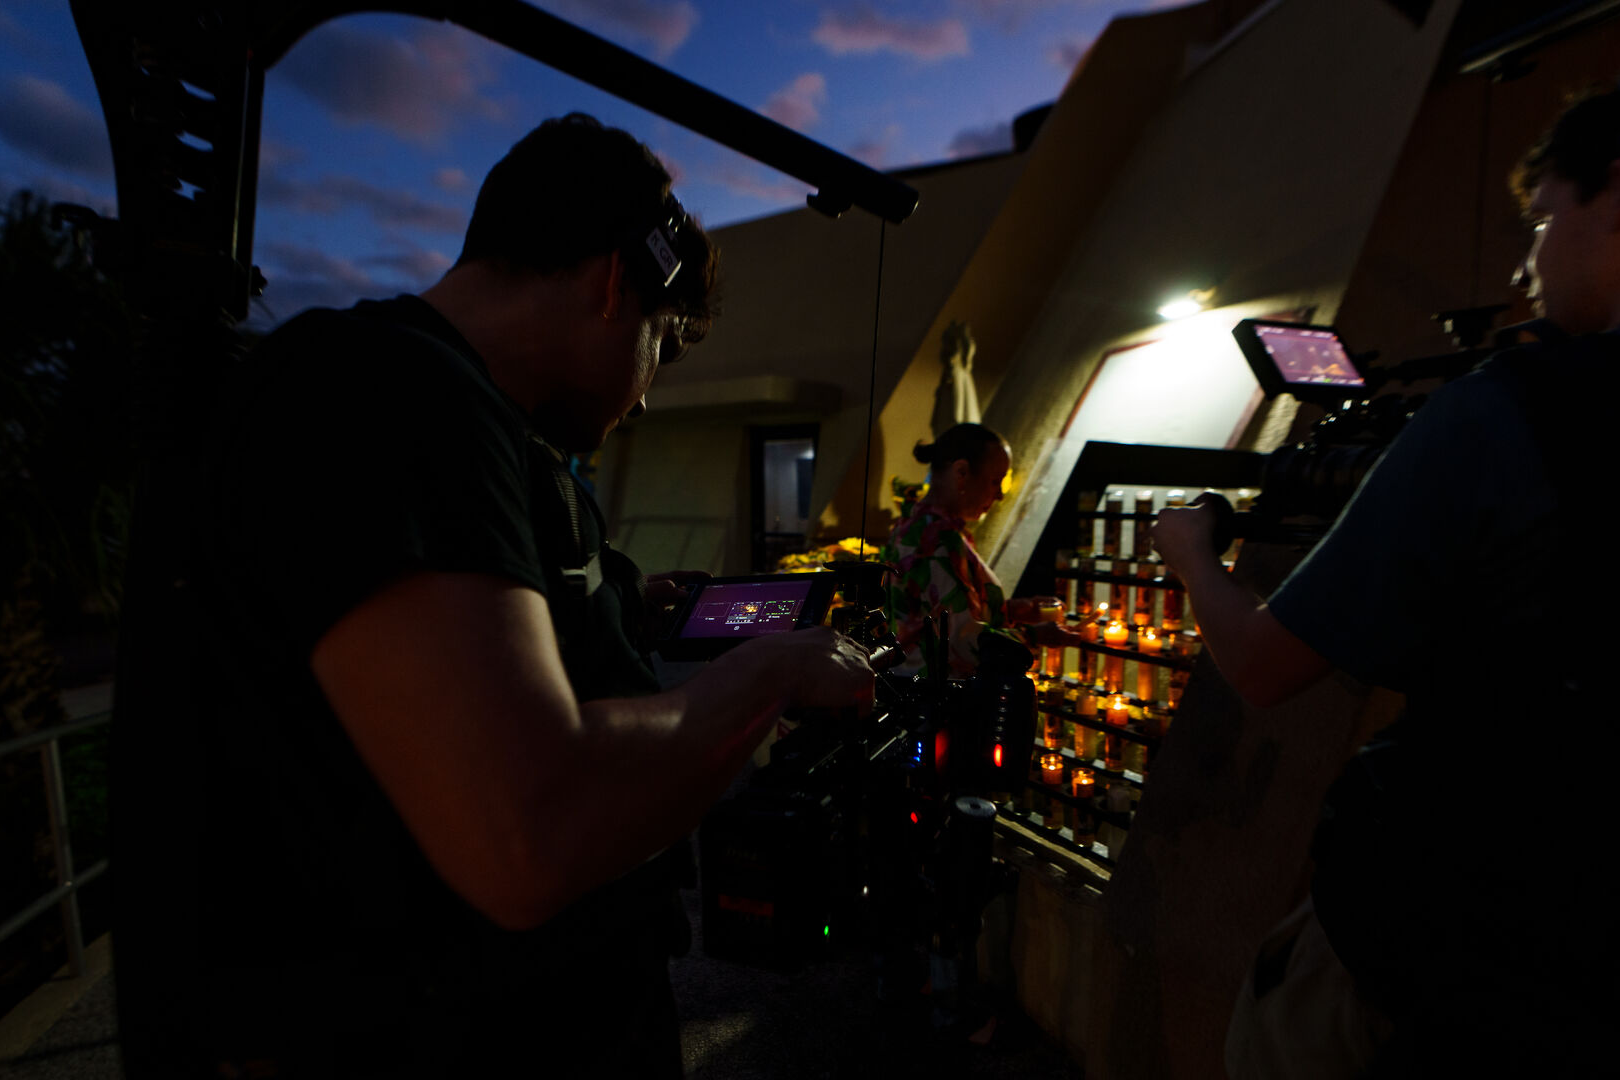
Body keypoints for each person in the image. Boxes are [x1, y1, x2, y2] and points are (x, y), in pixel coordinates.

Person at [123, 114, 875, 1078]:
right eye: (663, 343)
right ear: (614, 283)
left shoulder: (469, 426)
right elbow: (531, 830)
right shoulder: (397, 393)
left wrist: (632, 609)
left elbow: (481, 634)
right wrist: (766, 674)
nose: (645, 394)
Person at [1152, 34, 1620, 1079]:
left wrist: (1191, 554)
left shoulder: (1519, 413)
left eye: (1545, 217)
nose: (1532, 258)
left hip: (1463, 972)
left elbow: (1270, 664)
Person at [882, 423, 1072, 676]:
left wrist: (1014, 610)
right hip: (937, 697)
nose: (1000, 496)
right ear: (961, 473)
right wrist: (1035, 635)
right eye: (996, 482)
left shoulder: (913, 525)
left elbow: (940, 613)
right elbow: (963, 639)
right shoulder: (936, 540)